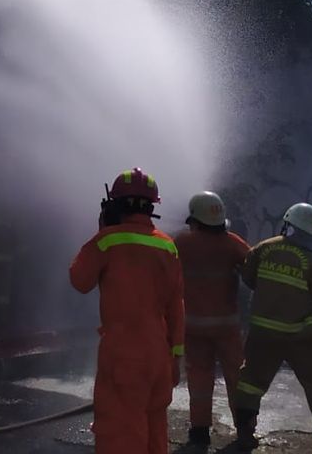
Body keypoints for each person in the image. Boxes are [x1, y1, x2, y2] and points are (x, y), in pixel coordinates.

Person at [70, 168, 184, 454]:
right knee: (154, 430)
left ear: (116, 204)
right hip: (158, 353)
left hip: (123, 355)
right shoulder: (167, 246)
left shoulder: (107, 240)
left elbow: (79, 280)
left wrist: (101, 230)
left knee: (121, 433)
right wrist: (175, 357)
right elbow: (176, 306)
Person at [234, 203, 312, 454]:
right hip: (303, 337)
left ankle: (244, 435)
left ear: (288, 225)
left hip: (263, 333)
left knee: (251, 383)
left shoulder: (264, 248)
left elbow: (248, 275)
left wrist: (270, 296)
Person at [173, 191, 250, 448]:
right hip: (227, 326)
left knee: (200, 380)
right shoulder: (233, 243)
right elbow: (255, 272)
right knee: (237, 376)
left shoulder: (182, 243)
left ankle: (199, 431)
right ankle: (245, 428)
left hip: (193, 326)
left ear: (195, 218)